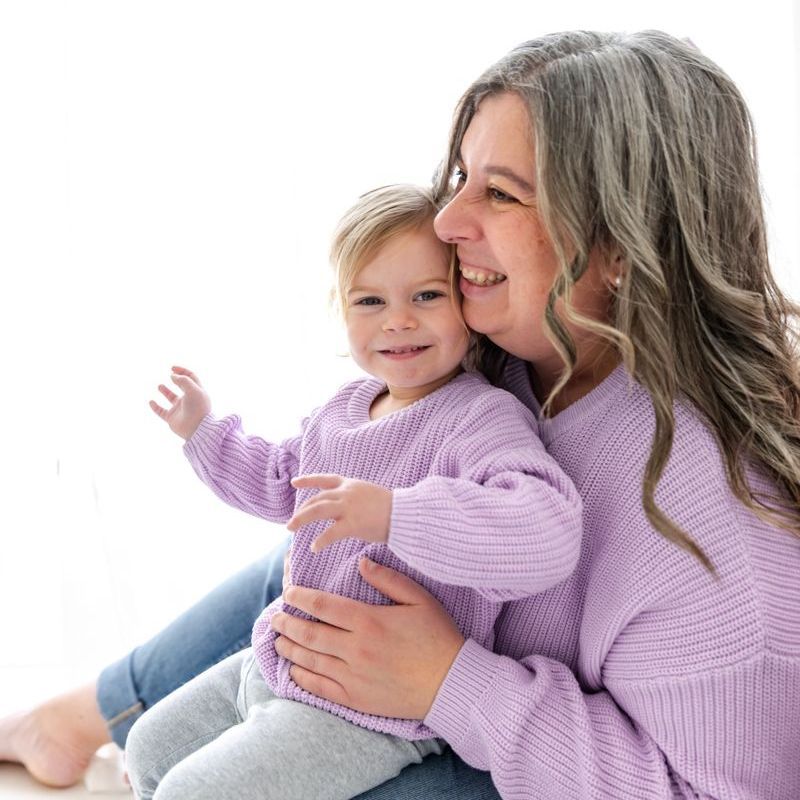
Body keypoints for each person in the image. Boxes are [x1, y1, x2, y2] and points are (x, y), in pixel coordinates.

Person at [2, 28, 799, 800]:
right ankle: (90, 712)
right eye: (461, 176)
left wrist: (453, 681)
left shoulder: (718, 531)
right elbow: (303, 485)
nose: (447, 223)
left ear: (623, 245)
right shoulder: (514, 356)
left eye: (501, 193)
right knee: (327, 532)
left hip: (522, 741)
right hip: (442, 673)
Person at [123, 183, 583, 800]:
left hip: (370, 710)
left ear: (466, 307)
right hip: (285, 656)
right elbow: (279, 481)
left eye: (426, 295)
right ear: (341, 310)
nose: (399, 320)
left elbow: (545, 529)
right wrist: (202, 432)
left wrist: (396, 515)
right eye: (370, 300)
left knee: (195, 792)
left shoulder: (480, 418)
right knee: (148, 748)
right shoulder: (344, 409)